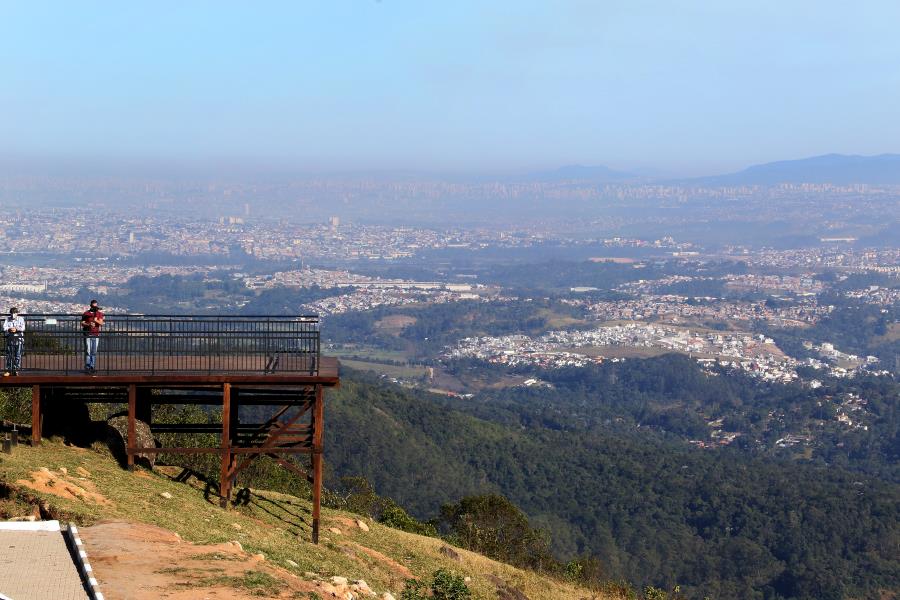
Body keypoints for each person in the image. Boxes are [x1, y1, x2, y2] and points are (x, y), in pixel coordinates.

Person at [81, 300, 104, 373]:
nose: (94, 307)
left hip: (95, 334)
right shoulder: (86, 313)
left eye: (95, 306)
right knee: (88, 351)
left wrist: (95, 320)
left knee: (94, 352)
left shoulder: (99, 314)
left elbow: (101, 323)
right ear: (90, 305)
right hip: (88, 334)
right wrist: (89, 325)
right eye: (93, 305)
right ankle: (87, 367)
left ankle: (92, 366)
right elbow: (82, 323)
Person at [3, 307, 25, 376]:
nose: (13, 315)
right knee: (9, 355)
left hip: (19, 340)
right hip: (10, 340)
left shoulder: (21, 319)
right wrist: (9, 329)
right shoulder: (7, 319)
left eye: (14, 313)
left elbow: (23, 328)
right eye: (12, 313)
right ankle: (9, 370)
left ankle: (16, 370)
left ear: (17, 313)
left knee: (17, 355)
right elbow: (4, 327)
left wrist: (16, 329)